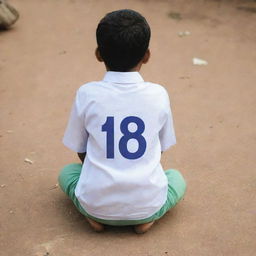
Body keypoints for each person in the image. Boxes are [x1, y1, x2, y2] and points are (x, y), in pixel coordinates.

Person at [59, 9, 186, 234]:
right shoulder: (158, 94)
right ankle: (146, 219)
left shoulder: (86, 93)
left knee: (67, 173)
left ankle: (94, 218)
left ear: (98, 54)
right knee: (176, 178)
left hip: (96, 203)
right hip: (147, 203)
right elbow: (160, 149)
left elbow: (80, 150)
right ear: (146, 55)